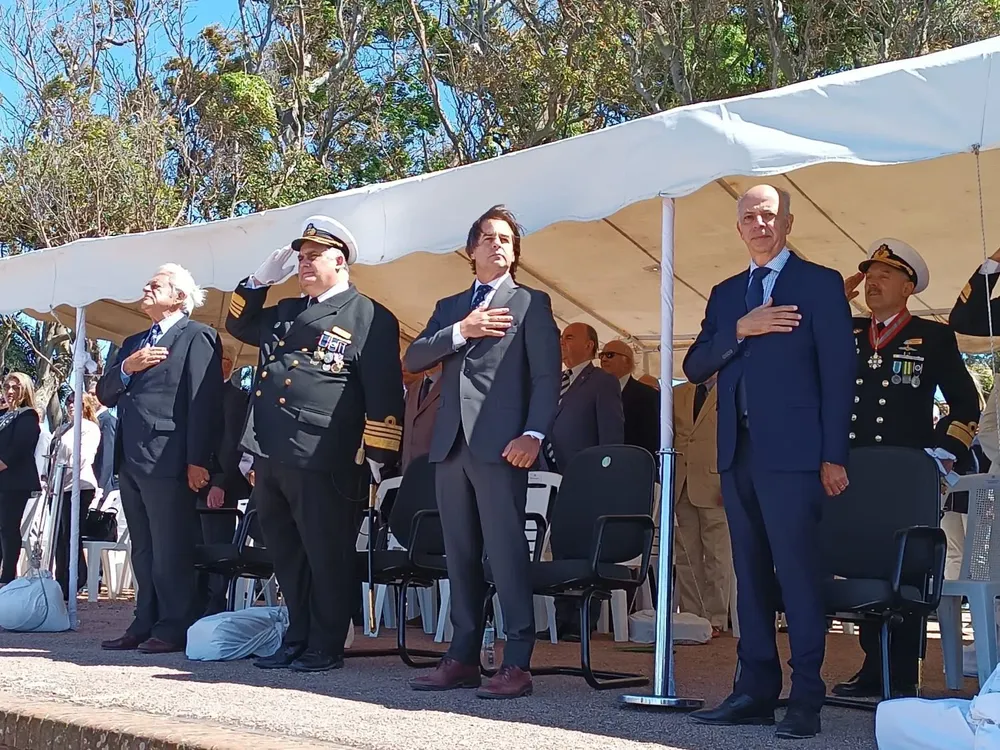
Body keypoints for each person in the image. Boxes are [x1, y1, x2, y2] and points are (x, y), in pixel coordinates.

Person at [683, 185, 855, 739]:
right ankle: (755, 690)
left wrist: (834, 455)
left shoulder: (820, 283)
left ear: (788, 221)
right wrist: (740, 329)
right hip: (739, 454)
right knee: (749, 576)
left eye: (770, 214)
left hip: (797, 453)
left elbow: (839, 375)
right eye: (750, 216)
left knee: (799, 575)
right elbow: (694, 364)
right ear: (738, 228)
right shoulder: (727, 293)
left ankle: (807, 695)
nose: (760, 223)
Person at [227, 215, 404, 673]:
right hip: (270, 449)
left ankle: (326, 644)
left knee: (326, 553)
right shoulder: (285, 310)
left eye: (312, 257)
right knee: (285, 551)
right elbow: (240, 327)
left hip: (323, 450)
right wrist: (258, 281)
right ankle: (297, 635)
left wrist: (380, 457)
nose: (303, 265)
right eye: (300, 258)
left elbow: (383, 390)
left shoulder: (369, 315)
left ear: (339, 260)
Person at [405, 205, 561, 699]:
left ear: (515, 254)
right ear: (471, 249)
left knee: (507, 553)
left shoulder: (531, 304)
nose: (498, 245)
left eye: (507, 240)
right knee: (461, 554)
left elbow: (544, 377)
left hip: (502, 448)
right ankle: (462, 656)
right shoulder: (451, 305)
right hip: (450, 446)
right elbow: (413, 357)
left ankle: (517, 660)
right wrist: (461, 331)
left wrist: (533, 434)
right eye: (489, 238)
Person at [833, 240, 981, 698]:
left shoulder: (932, 336)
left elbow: (966, 403)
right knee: (860, 562)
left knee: (906, 567)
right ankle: (872, 667)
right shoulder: (848, 331)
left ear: (908, 285)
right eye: (868, 275)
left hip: (904, 476)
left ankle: (900, 673)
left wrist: (940, 454)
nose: (872, 282)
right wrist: (836, 298)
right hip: (853, 471)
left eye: (883, 275)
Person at [96, 264, 223, 654]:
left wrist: (198, 459)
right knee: (145, 547)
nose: (146, 288)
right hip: (131, 459)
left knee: (171, 546)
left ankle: (174, 625)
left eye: (157, 285)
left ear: (180, 296)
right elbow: (105, 393)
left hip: (169, 457)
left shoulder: (198, 336)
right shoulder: (132, 341)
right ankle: (145, 619)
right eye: (148, 283)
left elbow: (203, 403)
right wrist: (126, 368)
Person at [673, 376, 731, 636]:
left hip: (716, 481)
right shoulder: (678, 393)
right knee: (686, 554)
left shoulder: (730, 388)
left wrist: (730, 481)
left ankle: (715, 617)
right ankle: (690, 615)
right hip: (682, 482)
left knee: (717, 554)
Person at [199, 344, 252, 615]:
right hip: (194, 483)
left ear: (228, 365)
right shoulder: (201, 393)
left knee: (217, 546)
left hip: (218, 485)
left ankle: (215, 603)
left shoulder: (233, 397)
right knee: (199, 545)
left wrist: (219, 483)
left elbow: (231, 443)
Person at [53, 393, 102, 601]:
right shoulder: (63, 428)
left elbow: (84, 457)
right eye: (69, 402)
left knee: (71, 535)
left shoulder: (89, 428)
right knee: (59, 537)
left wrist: (66, 473)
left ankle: (75, 579)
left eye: (76, 402)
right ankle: (60, 581)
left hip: (79, 486)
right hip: (59, 488)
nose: (72, 406)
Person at [0, 373, 42, 584]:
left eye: (15, 387)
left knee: (8, 527)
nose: (10, 391)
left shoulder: (28, 416)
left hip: (14, 482)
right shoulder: (4, 414)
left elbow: (17, 451)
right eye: (7, 386)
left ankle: (7, 576)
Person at [598, 339, 659, 456]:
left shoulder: (647, 395)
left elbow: (652, 439)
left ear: (626, 361)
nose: (603, 360)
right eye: (601, 356)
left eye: (610, 355)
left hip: (633, 464)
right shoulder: (596, 392)